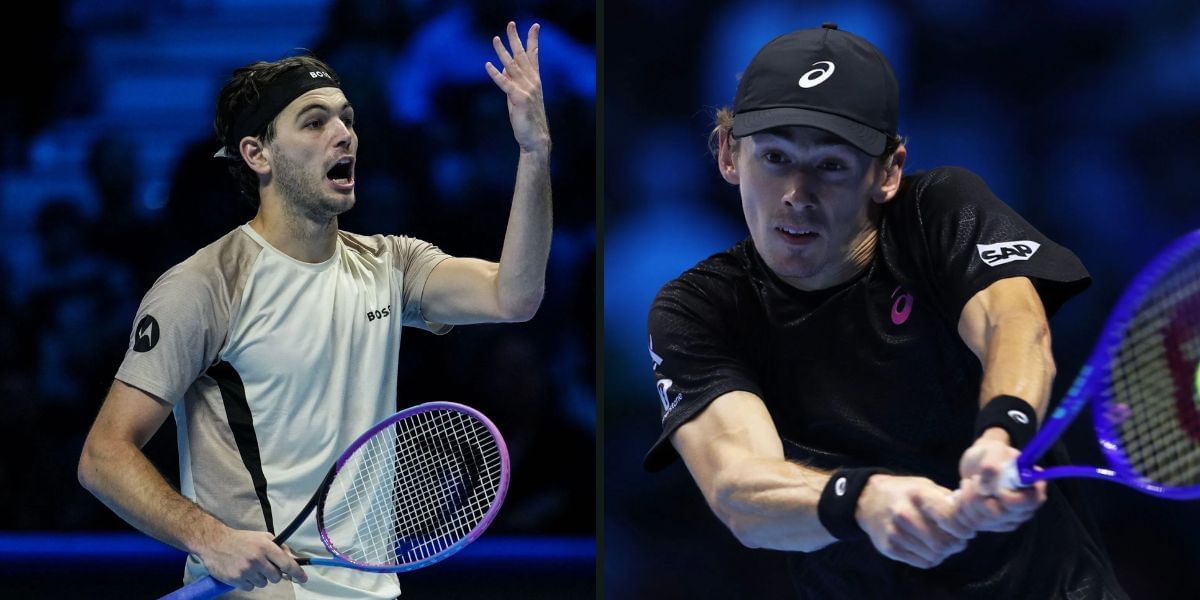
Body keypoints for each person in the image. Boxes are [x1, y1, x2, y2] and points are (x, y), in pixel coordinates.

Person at [643, 23, 1127, 598]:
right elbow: (739, 490)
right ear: (727, 154)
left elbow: (1014, 325)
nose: (797, 192)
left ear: (889, 171)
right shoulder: (698, 308)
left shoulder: (940, 212)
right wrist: (865, 499)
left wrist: (1002, 434)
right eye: (774, 157)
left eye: (831, 165)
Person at [77, 21, 551, 599]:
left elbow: (515, 296)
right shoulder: (205, 286)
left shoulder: (389, 266)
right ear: (257, 154)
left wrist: (533, 152)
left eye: (347, 118)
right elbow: (103, 456)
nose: (344, 134)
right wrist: (211, 538)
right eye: (315, 121)